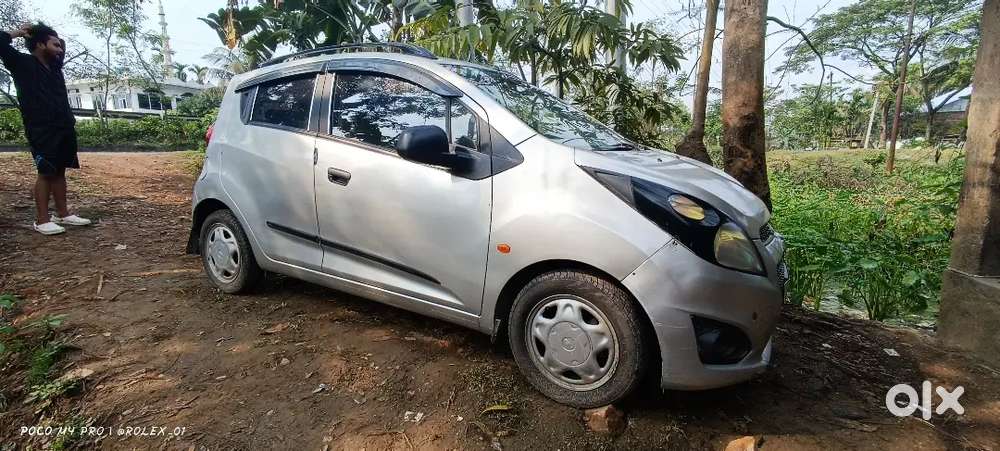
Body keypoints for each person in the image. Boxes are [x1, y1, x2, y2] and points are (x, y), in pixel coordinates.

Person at [0, 23, 91, 235]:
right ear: (40, 45)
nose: (60, 49)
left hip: (64, 126)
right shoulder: (22, 63)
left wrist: (49, 36)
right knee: (46, 172)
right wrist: (20, 33)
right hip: (41, 128)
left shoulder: (55, 67)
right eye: (55, 45)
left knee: (60, 170)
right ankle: (42, 220)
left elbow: (61, 46)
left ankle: (63, 213)